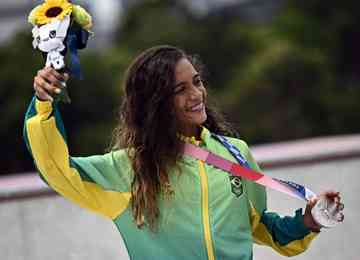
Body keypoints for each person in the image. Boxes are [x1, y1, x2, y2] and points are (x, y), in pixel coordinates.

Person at [24, 45, 343, 260]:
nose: (196, 95)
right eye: (180, 90)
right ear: (155, 103)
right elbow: (56, 168)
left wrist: (312, 219)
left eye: (197, 82)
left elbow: (262, 227)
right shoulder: (130, 169)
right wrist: (44, 104)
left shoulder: (236, 153)